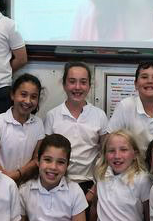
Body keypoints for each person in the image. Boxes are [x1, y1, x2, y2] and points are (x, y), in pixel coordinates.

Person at [44, 62, 108, 197]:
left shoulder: (99, 115)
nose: (77, 87)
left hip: (89, 184)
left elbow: (106, 155)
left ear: (90, 86)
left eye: (83, 82)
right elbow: (45, 155)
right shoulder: (52, 115)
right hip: (57, 182)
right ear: (64, 84)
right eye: (72, 81)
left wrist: (94, 189)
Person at [0, 73, 44, 185]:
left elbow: (36, 157)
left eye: (34, 97)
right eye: (23, 94)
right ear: (12, 95)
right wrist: (6, 178)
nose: (28, 101)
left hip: (26, 183)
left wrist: (18, 174)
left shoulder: (38, 123)